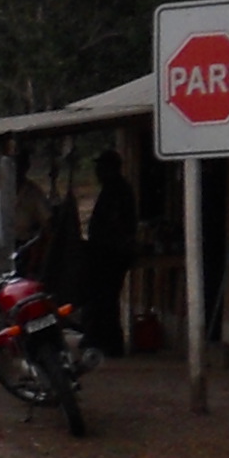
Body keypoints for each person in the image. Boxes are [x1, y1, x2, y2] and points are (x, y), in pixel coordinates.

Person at [80, 148, 138, 353]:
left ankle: (110, 343)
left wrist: (111, 243)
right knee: (102, 298)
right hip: (105, 252)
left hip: (112, 254)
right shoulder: (111, 189)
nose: (98, 172)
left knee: (106, 298)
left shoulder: (118, 190)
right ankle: (101, 339)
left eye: (102, 168)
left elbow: (117, 223)